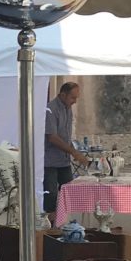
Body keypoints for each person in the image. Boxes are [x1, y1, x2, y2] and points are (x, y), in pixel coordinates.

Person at [43, 82, 89, 215]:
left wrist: (75, 150)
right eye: (72, 98)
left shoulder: (68, 108)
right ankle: (50, 223)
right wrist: (74, 152)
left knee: (70, 192)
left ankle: (68, 220)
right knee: (51, 195)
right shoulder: (50, 109)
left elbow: (66, 136)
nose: (75, 101)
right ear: (63, 95)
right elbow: (52, 137)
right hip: (50, 161)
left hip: (64, 160)